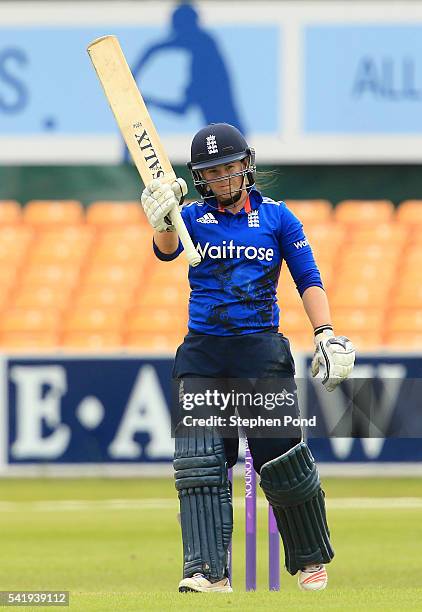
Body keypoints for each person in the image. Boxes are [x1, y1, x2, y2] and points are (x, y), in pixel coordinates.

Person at [140, 123, 355, 593]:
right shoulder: (190, 216)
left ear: (247, 166)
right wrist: (161, 222)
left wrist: (326, 334)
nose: (222, 178)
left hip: (261, 353)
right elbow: (166, 251)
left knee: (280, 459)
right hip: (203, 353)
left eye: (229, 169)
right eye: (212, 172)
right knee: (200, 463)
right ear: (200, 177)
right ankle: (207, 571)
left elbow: (307, 276)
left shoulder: (279, 219)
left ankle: (310, 558)